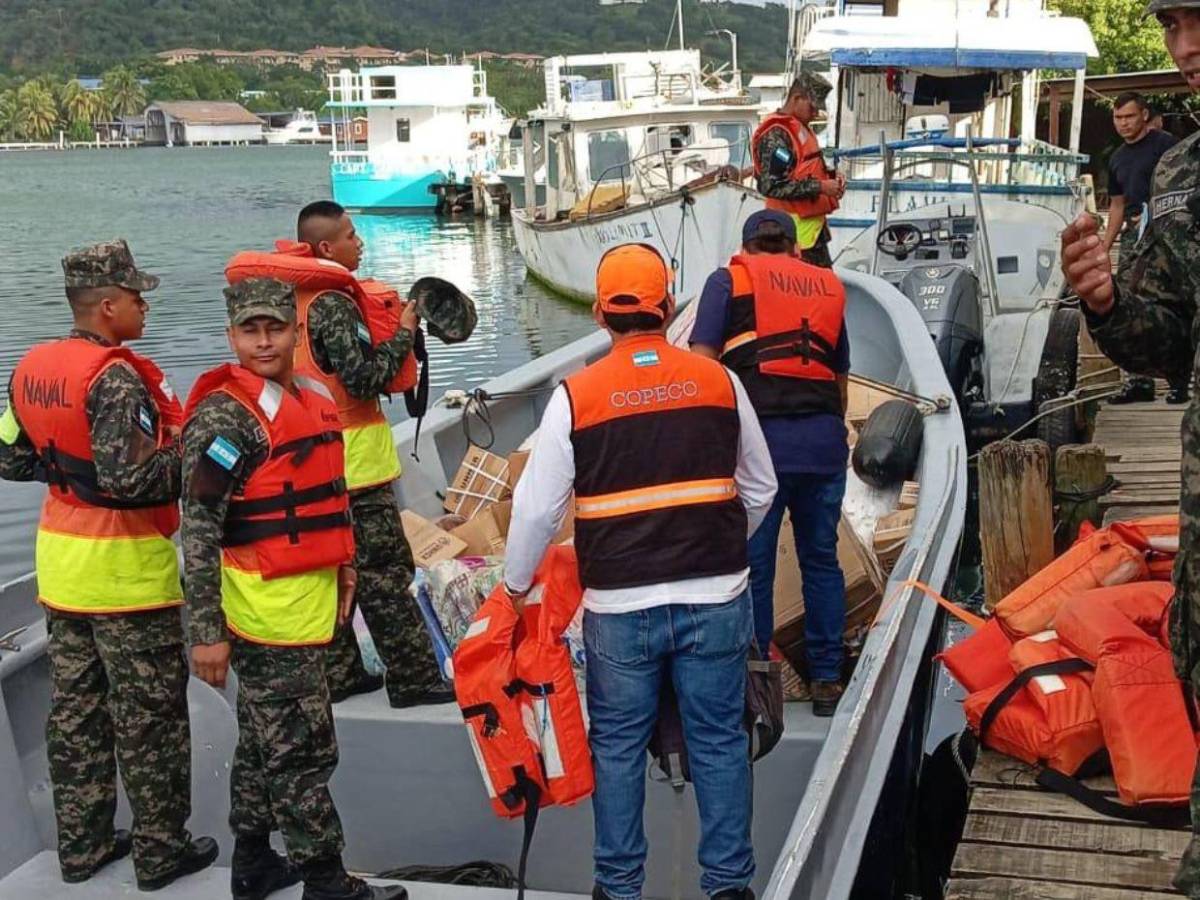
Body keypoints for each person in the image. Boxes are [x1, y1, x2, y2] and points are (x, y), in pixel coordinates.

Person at [502, 244, 777, 900]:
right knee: (717, 741)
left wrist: (515, 588)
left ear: (600, 314)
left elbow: (537, 510)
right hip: (716, 599)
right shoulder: (721, 383)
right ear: (670, 306)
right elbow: (761, 489)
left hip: (619, 611)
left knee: (618, 748)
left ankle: (619, 888)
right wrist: (719, 548)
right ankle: (730, 886)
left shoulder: (575, 397)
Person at [0, 240, 217, 889]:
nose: (147, 308)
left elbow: (9, 458)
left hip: (62, 569)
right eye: (140, 297)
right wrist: (205, 454)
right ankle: (160, 851)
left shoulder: (31, 367)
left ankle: (85, 847)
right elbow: (131, 481)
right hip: (126, 575)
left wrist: (66, 472)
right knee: (149, 716)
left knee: (77, 714)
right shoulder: (116, 377)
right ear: (109, 305)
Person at [182, 277, 407, 900]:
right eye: (249, 330)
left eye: (274, 328)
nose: (263, 341)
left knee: (262, 740)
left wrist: (347, 565)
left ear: (295, 332)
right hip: (262, 615)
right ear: (231, 336)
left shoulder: (311, 396)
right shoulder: (227, 418)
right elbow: (198, 529)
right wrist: (206, 634)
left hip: (309, 608)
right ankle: (328, 882)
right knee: (304, 753)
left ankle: (252, 861)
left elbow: (328, 499)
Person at [1060, 1, 1200, 894]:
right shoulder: (1182, 172)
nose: (1184, 47)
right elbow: (1166, 341)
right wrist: (1107, 303)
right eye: (1173, 26)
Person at [690, 210, 850, 716]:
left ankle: (760, 686)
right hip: (822, 448)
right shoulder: (827, 287)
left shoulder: (727, 283)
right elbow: (841, 377)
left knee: (754, 566)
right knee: (821, 560)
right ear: (794, 249)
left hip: (760, 454)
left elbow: (702, 368)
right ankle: (827, 680)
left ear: (746, 247)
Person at [293, 200, 450, 708]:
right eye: (351, 235)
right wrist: (404, 332)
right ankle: (414, 679)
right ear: (325, 247)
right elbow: (364, 379)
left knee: (330, 570)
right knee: (384, 574)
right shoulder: (334, 304)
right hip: (353, 468)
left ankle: (341, 674)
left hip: (308, 464)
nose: (359, 243)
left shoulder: (290, 298)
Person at [1099, 91, 1188, 405]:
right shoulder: (1116, 157)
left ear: (1145, 115)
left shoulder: (1168, 147)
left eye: (1129, 117)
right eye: (1118, 118)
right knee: (1125, 304)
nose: (1123, 124)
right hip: (1134, 234)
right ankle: (1137, 381)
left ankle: (1180, 381)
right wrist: (1104, 247)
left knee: (1174, 301)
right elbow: (1117, 207)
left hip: (1169, 232)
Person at [751, 72, 845, 268]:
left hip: (812, 235)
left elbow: (802, 169)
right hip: (789, 237)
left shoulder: (800, 130)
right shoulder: (776, 136)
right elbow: (772, 186)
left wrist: (832, 180)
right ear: (796, 99)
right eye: (812, 107)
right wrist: (820, 187)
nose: (816, 114)